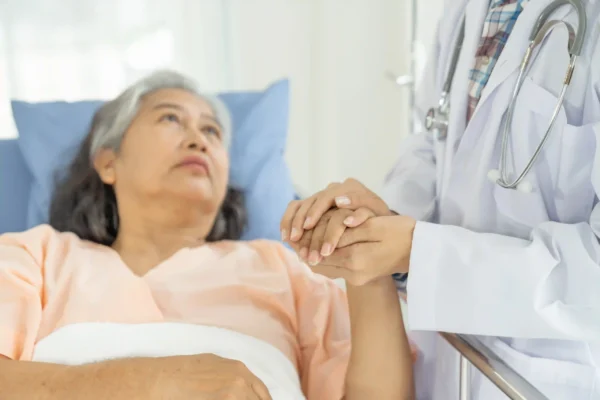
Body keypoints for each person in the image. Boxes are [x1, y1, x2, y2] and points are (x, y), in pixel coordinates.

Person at [0, 70, 415, 400]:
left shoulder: (284, 269)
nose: (198, 139)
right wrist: (147, 383)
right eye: (170, 118)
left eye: (213, 132)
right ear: (108, 162)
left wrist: (370, 268)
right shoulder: (35, 256)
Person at [281, 1, 600, 399]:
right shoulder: (466, 10)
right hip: (444, 357)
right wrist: (378, 220)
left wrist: (418, 252)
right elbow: (433, 143)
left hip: (548, 378)